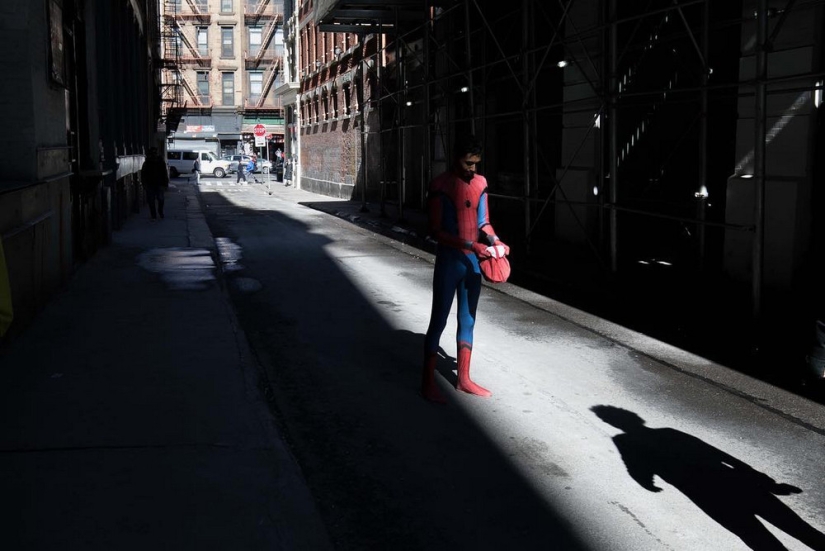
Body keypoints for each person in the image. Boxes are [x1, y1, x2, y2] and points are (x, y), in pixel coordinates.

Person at [421, 134, 510, 403]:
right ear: (455, 159)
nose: (472, 169)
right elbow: (436, 231)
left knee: (468, 319)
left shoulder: (481, 183)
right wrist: (474, 246)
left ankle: (464, 379)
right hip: (450, 261)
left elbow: (484, 222)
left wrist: (495, 240)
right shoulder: (440, 185)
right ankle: (427, 382)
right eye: (468, 163)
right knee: (439, 320)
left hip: (471, 261)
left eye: (476, 163)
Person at [141, 147, 169, 220]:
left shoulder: (160, 162)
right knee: (152, 200)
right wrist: (144, 183)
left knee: (160, 199)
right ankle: (154, 215)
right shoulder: (147, 163)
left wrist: (165, 183)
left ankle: (159, 211)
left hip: (158, 183)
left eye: (155, 153)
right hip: (151, 184)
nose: (154, 155)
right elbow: (143, 174)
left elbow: (164, 173)